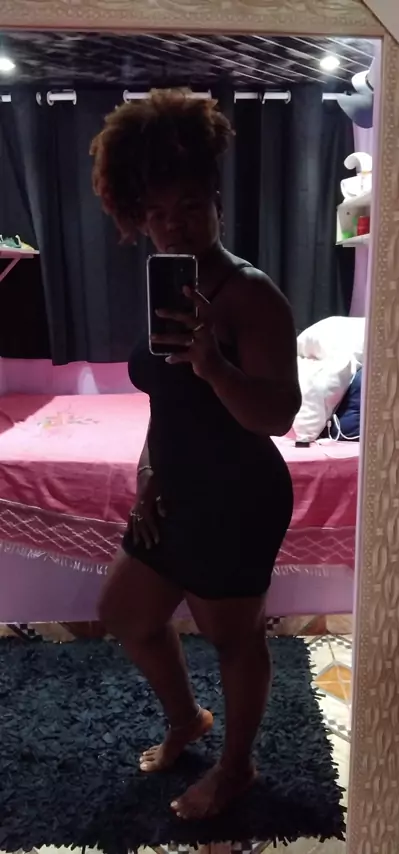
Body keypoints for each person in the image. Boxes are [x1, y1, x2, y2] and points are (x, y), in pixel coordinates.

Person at [91, 89, 301, 820]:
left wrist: (214, 365)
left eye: (187, 205)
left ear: (216, 201)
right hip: (176, 489)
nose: (172, 223)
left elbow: (277, 415)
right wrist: (148, 475)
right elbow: (167, 405)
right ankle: (188, 719)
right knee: (125, 612)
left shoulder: (250, 295)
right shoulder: (171, 290)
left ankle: (237, 769)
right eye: (154, 212)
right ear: (136, 216)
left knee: (232, 639)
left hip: (238, 498)